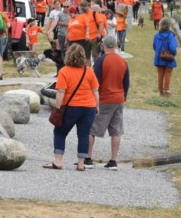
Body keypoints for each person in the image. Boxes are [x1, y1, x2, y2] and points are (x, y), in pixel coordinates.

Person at [43, 44, 100, 172]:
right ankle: (81, 164)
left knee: (60, 132)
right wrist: (97, 106)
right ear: (83, 56)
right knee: (84, 135)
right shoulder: (89, 71)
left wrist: (57, 108)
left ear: (68, 55)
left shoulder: (64, 71)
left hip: (71, 107)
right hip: (89, 107)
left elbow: (61, 92)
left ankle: (58, 162)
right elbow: (95, 91)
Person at [86, 34, 130, 170]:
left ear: (103, 45)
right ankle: (113, 161)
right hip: (119, 98)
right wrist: (124, 96)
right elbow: (126, 82)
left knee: (92, 129)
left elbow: (95, 82)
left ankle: (87, 158)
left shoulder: (100, 60)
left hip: (104, 98)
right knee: (116, 130)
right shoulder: (123, 61)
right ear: (115, 45)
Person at [153, 17, 178, 97]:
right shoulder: (171, 35)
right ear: (169, 25)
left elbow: (154, 46)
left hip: (159, 57)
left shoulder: (157, 35)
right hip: (168, 58)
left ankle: (161, 91)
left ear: (160, 24)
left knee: (160, 74)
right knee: (168, 73)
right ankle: (166, 90)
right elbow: (172, 48)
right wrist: (173, 53)